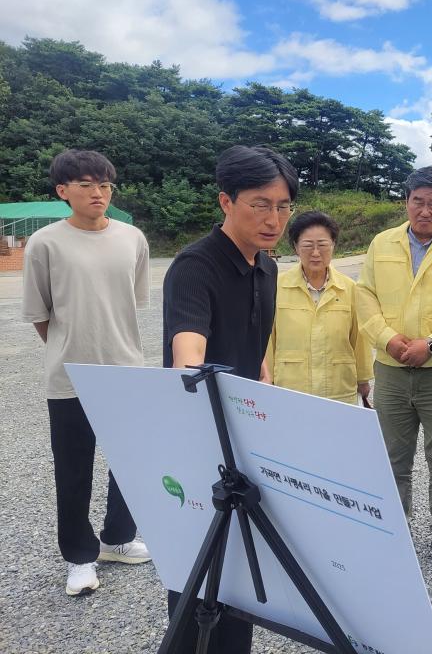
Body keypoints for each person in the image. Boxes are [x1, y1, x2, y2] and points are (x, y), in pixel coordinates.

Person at [162, 144, 298, 654]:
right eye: (259, 204)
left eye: (283, 206)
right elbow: (187, 353)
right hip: (202, 436)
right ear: (226, 200)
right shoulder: (195, 265)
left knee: (242, 574)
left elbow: (254, 344)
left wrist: (265, 395)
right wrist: (195, 377)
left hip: (245, 434)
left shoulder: (267, 267)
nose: (274, 219)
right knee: (198, 576)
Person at [21, 149, 152, 597]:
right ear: (63, 191)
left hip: (126, 370)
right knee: (73, 470)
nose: (99, 192)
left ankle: (118, 538)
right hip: (69, 376)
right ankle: (79, 556)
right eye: (87, 184)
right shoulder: (45, 242)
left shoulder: (132, 238)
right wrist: (66, 347)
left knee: (129, 464)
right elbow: (41, 314)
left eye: (105, 184)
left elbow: (131, 303)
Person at [356, 166, 432, 570]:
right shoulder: (381, 243)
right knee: (393, 457)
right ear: (406, 202)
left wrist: (431, 344)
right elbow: (365, 297)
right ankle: (395, 529)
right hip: (390, 368)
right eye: (417, 201)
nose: (425, 210)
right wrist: (387, 339)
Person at [267, 210, 373, 405]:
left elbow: (359, 338)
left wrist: (363, 378)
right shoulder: (276, 287)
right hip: (291, 387)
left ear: (333, 245)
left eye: (323, 245)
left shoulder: (349, 288)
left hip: (338, 387)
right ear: (295, 247)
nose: (316, 253)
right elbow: (268, 339)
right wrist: (267, 379)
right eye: (308, 245)